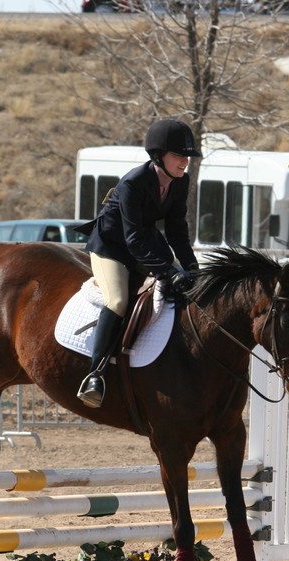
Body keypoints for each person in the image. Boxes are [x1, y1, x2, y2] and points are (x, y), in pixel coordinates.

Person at [75, 118, 202, 409]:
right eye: (179, 155)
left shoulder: (180, 181)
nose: (185, 161)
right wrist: (167, 270)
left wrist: (192, 270)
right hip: (112, 247)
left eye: (187, 156)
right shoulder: (134, 182)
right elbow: (132, 240)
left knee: (186, 290)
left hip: (145, 243)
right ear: (159, 155)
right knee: (118, 300)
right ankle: (95, 374)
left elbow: (177, 232)